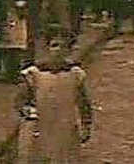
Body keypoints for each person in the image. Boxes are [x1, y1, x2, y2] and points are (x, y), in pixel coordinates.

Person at [13, 25, 93, 163]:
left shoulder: (75, 74)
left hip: (65, 125)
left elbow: (83, 102)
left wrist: (86, 125)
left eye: (65, 47)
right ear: (47, 48)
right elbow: (21, 100)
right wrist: (26, 110)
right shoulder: (34, 74)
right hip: (39, 126)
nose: (59, 51)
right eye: (55, 46)